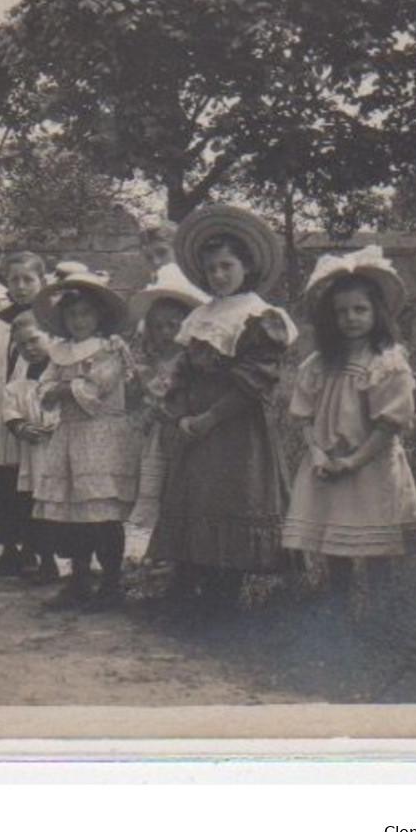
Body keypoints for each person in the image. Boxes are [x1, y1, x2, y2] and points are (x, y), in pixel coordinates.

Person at [147, 204, 297, 614]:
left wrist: (211, 417)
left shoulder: (260, 316)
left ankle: (223, 598)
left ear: (245, 266)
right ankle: (189, 585)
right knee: (196, 499)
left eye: (226, 266)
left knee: (231, 500)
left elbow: (256, 382)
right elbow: (181, 372)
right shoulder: (200, 315)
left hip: (234, 430)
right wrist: (176, 410)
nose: (218, 275)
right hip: (194, 429)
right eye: (211, 269)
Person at [281, 247, 416, 615]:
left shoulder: (386, 361)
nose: (351, 318)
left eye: (360, 309)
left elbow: (389, 424)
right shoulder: (319, 363)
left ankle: (379, 619)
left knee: (376, 548)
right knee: (335, 541)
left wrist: (354, 461)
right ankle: (337, 615)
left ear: (377, 313)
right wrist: (317, 453)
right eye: (341, 311)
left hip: (370, 464)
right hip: (327, 463)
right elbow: (305, 417)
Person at [30, 271, 142, 610]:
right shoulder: (60, 351)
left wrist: (63, 390)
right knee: (73, 514)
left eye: (86, 314)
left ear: (99, 317)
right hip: (69, 435)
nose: (79, 321)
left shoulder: (110, 349)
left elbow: (96, 388)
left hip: (101, 437)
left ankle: (111, 583)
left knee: (103, 512)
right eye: (72, 315)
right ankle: (78, 580)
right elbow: (44, 386)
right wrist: (54, 391)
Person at [0, 250, 48, 573]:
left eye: (28, 279)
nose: (20, 286)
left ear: (42, 282)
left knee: (28, 481)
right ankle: (2, 544)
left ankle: (31, 547)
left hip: (31, 409)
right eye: (14, 279)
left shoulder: (49, 320)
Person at [124, 274, 206, 539]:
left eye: (173, 326)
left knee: (181, 486)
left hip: (184, 430)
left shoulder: (192, 360)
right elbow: (135, 398)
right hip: (156, 434)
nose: (165, 333)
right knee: (154, 483)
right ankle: (156, 545)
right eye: (158, 327)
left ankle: (179, 547)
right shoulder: (146, 361)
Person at [1, 309, 60, 583]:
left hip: (62, 450)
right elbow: (10, 408)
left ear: (49, 335)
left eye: (35, 340)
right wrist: (21, 427)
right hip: (36, 453)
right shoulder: (20, 381)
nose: (29, 349)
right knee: (38, 506)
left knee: (64, 504)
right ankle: (46, 560)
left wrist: (57, 423)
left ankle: (76, 562)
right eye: (22, 345)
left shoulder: (61, 370)